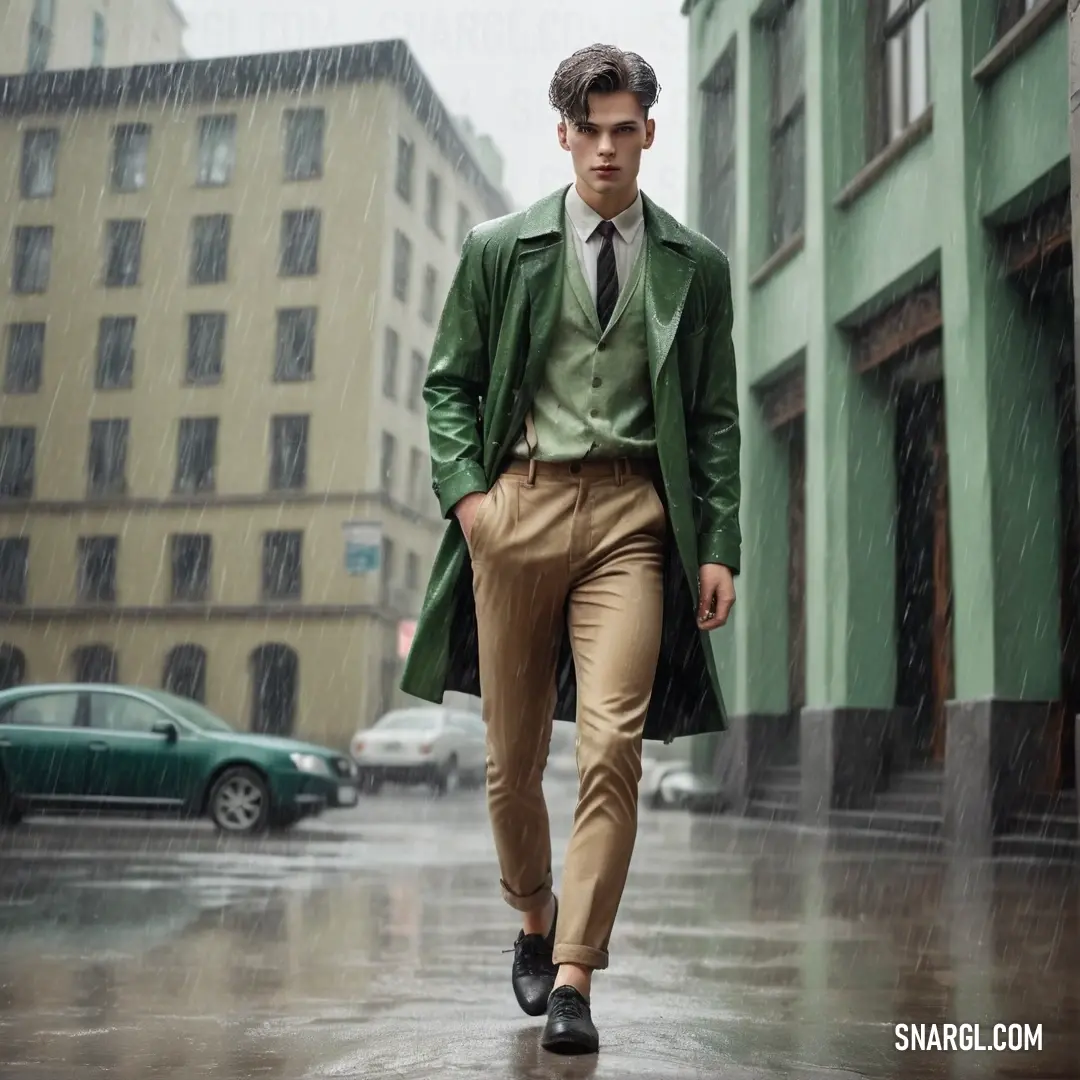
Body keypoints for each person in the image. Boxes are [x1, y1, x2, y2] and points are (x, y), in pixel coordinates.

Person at [400, 43, 741, 1055]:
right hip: (520, 514)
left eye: (622, 128)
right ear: (564, 135)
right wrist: (471, 504)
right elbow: (449, 386)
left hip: (634, 523)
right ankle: (534, 918)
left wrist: (715, 541)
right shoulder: (499, 249)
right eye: (587, 130)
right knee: (512, 762)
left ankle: (577, 978)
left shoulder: (696, 268)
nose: (605, 148)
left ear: (648, 133)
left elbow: (714, 417)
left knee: (612, 750)